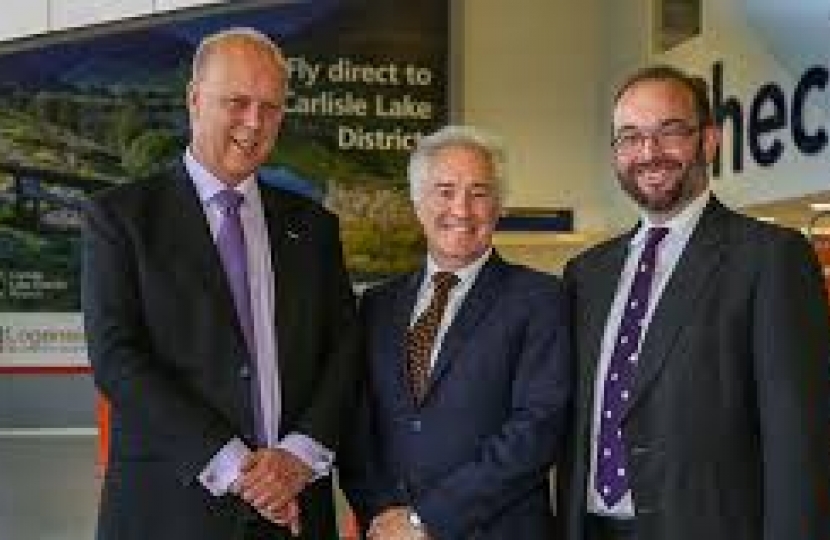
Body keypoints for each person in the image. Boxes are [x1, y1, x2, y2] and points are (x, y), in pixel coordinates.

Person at [81, 27, 360, 540]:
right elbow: (117, 361)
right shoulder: (121, 219)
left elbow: (343, 352)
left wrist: (298, 457)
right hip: (171, 513)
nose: (254, 124)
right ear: (194, 100)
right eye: (237, 102)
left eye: (270, 107)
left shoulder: (313, 226)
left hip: (295, 510)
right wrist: (242, 472)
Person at [557, 64, 830, 540]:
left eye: (670, 131)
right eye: (630, 137)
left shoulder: (772, 258)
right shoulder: (586, 274)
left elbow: (797, 444)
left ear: (709, 141)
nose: (649, 152)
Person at [339, 125, 572, 540]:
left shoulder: (540, 299)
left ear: (499, 205)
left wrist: (424, 520)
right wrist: (382, 517)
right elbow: (357, 429)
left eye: (479, 193)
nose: (461, 209)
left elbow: (536, 431)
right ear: (417, 202)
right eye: (445, 191)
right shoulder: (376, 305)